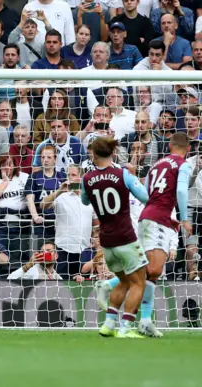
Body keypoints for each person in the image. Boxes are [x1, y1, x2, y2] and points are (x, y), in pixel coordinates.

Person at [97, 132, 193, 338]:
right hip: (157, 219)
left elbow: (148, 192)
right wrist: (184, 218)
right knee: (152, 269)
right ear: (189, 149)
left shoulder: (157, 164)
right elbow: (182, 191)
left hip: (151, 217)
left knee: (152, 272)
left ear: (169, 145)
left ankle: (146, 320)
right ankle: (111, 286)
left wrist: (166, 215)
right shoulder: (183, 164)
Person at [81, 137, 149, 338]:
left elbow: (85, 201)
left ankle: (109, 324)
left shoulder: (86, 179)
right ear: (112, 154)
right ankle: (125, 328)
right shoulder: (123, 174)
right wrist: (134, 177)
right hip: (125, 237)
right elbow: (145, 197)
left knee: (125, 281)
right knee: (139, 282)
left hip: (106, 241)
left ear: (93, 155)